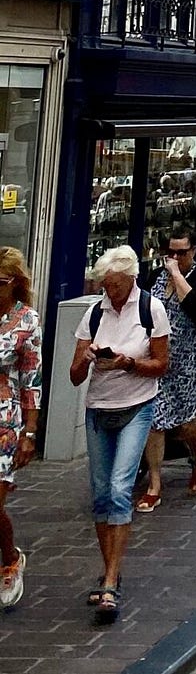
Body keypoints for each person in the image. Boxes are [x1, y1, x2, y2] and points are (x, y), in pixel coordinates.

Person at [70, 246, 172, 624]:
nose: (109, 293)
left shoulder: (151, 310)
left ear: (130, 279)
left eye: (114, 285)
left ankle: (111, 579)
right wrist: (88, 357)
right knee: (100, 493)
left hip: (137, 406)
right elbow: (74, 375)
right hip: (99, 408)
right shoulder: (94, 313)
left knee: (118, 487)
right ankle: (108, 567)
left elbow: (162, 365)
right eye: (104, 286)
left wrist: (130, 363)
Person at [138, 228, 196, 512]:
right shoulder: (156, 277)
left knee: (185, 422)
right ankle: (155, 485)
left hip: (188, 362)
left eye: (181, 252)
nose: (174, 257)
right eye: (170, 252)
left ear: (193, 251)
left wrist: (177, 275)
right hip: (159, 360)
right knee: (155, 419)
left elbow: (195, 305)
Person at [0, 249, 40, 610]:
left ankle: (10, 559)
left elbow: (32, 379)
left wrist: (29, 433)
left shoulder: (26, 320)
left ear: (15, 283)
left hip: (5, 419)